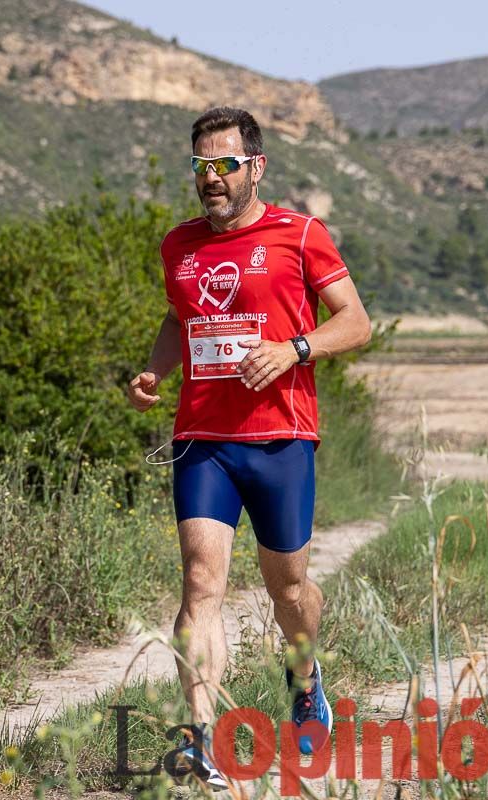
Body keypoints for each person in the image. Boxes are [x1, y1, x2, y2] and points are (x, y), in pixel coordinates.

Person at [127, 107, 372, 788]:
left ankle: (304, 676)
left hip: (281, 440)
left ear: (255, 167)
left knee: (288, 589)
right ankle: (197, 735)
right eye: (200, 166)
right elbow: (181, 317)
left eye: (224, 165)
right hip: (204, 439)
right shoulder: (178, 245)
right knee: (201, 581)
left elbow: (356, 323)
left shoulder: (299, 235)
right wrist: (156, 369)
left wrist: (294, 349)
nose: (210, 179)